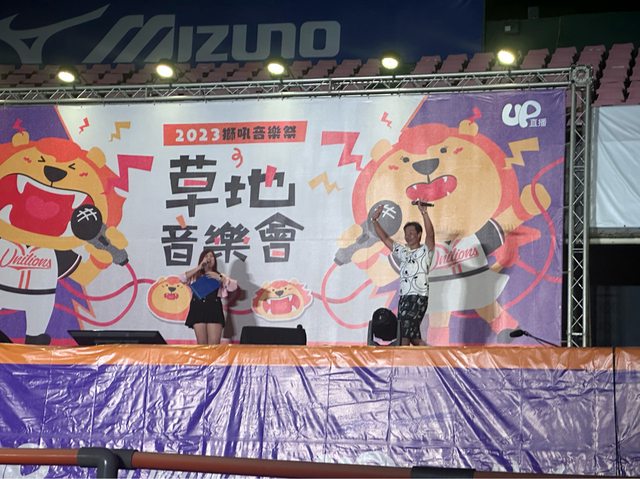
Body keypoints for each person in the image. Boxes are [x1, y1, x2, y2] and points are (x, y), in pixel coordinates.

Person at [371, 202, 435, 345]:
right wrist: (374, 220)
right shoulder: (403, 252)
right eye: (406, 234)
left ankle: (401, 359)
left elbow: (430, 234)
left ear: (419, 235)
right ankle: (435, 357)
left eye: (412, 233)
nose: (408, 236)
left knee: (404, 335)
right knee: (413, 338)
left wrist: (424, 213)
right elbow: (385, 239)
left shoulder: (425, 251)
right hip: (404, 297)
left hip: (417, 296)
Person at [182, 249, 237, 345]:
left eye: (211, 256)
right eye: (206, 256)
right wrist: (199, 267)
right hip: (198, 309)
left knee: (214, 345)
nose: (209, 258)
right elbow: (181, 279)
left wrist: (219, 277)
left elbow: (233, 287)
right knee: (201, 344)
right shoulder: (195, 275)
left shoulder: (219, 275)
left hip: (213, 308)